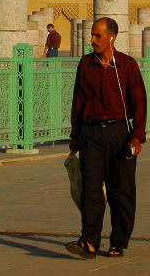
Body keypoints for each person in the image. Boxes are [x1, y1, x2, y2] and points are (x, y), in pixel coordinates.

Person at [65, 17, 146, 259]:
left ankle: (118, 241)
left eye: (97, 36)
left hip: (119, 133)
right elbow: (78, 99)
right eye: (92, 35)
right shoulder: (85, 64)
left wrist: (137, 137)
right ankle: (89, 241)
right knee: (91, 189)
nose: (92, 40)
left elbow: (139, 102)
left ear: (112, 37)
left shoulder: (127, 65)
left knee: (120, 190)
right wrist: (75, 134)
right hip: (91, 133)